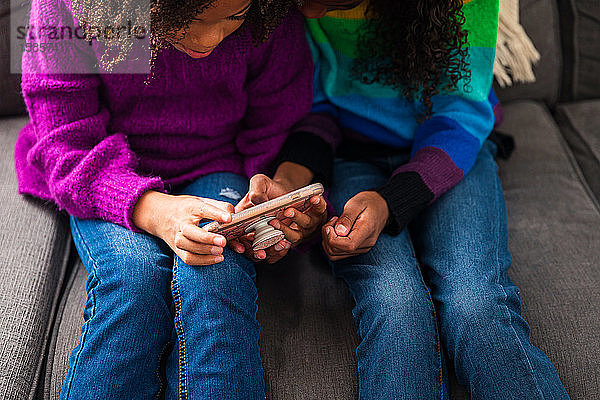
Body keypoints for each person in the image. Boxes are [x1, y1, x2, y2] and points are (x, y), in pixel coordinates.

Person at [247, 0, 571, 398]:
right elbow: (315, 108)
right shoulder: (299, 9)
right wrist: (290, 180)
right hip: (352, 156)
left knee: (476, 303)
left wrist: (390, 201)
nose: (310, 13)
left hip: (452, 151)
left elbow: (461, 119)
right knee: (394, 300)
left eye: (332, 3)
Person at [14, 0, 328, 398]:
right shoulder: (67, 8)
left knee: (218, 267)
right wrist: (156, 210)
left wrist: (273, 208)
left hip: (218, 161)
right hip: (105, 168)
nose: (210, 40)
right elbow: (66, 142)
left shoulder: (270, 13)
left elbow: (278, 121)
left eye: (234, 18)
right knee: (135, 277)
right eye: (195, 19)